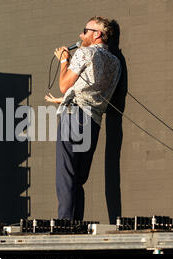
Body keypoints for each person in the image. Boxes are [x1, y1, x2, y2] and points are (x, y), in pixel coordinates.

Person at [45, 16, 121, 220]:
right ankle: (75, 225)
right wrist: (64, 100)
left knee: (65, 174)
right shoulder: (116, 63)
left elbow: (64, 84)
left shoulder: (84, 53)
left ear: (97, 34)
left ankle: (64, 225)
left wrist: (64, 60)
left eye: (85, 30)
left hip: (74, 118)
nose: (81, 35)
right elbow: (94, 93)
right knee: (78, 179)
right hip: (93, 123)